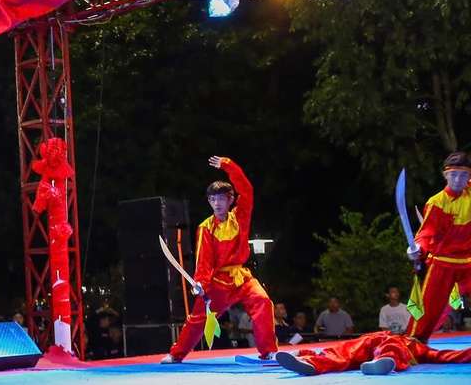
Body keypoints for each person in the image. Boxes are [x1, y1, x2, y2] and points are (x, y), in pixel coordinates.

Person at [162, 156, 277, 363]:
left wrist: (228, 165)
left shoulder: (240, 217)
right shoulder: (206, 228)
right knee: (199, 317)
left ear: (230, 200)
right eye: (212, 200)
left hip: (241, 277)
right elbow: (203, 261)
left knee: (262, 301)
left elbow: (247, 190)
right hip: (218, 282)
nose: (216, 203)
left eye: (221, 199)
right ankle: (176, 354)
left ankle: (268, 351)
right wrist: (200, 284)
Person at [407, 151, 471, 340]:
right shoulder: (436, 203)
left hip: (469, 261)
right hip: (444, 261)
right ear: (445, 175)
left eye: (464, 175)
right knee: (428, 308)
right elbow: (426, 233)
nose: (458, 179)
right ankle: (413, 344)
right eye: (453, 174)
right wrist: (418, 248)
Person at [275, 330, 471, 376]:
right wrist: (304, 350)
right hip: (367, 342)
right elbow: (446, 355)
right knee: (339, 352)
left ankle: (384, 361)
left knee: (392, 345)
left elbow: (447, 355)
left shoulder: (414, 345)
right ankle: (311, 363)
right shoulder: (398, 336)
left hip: (381, 345)